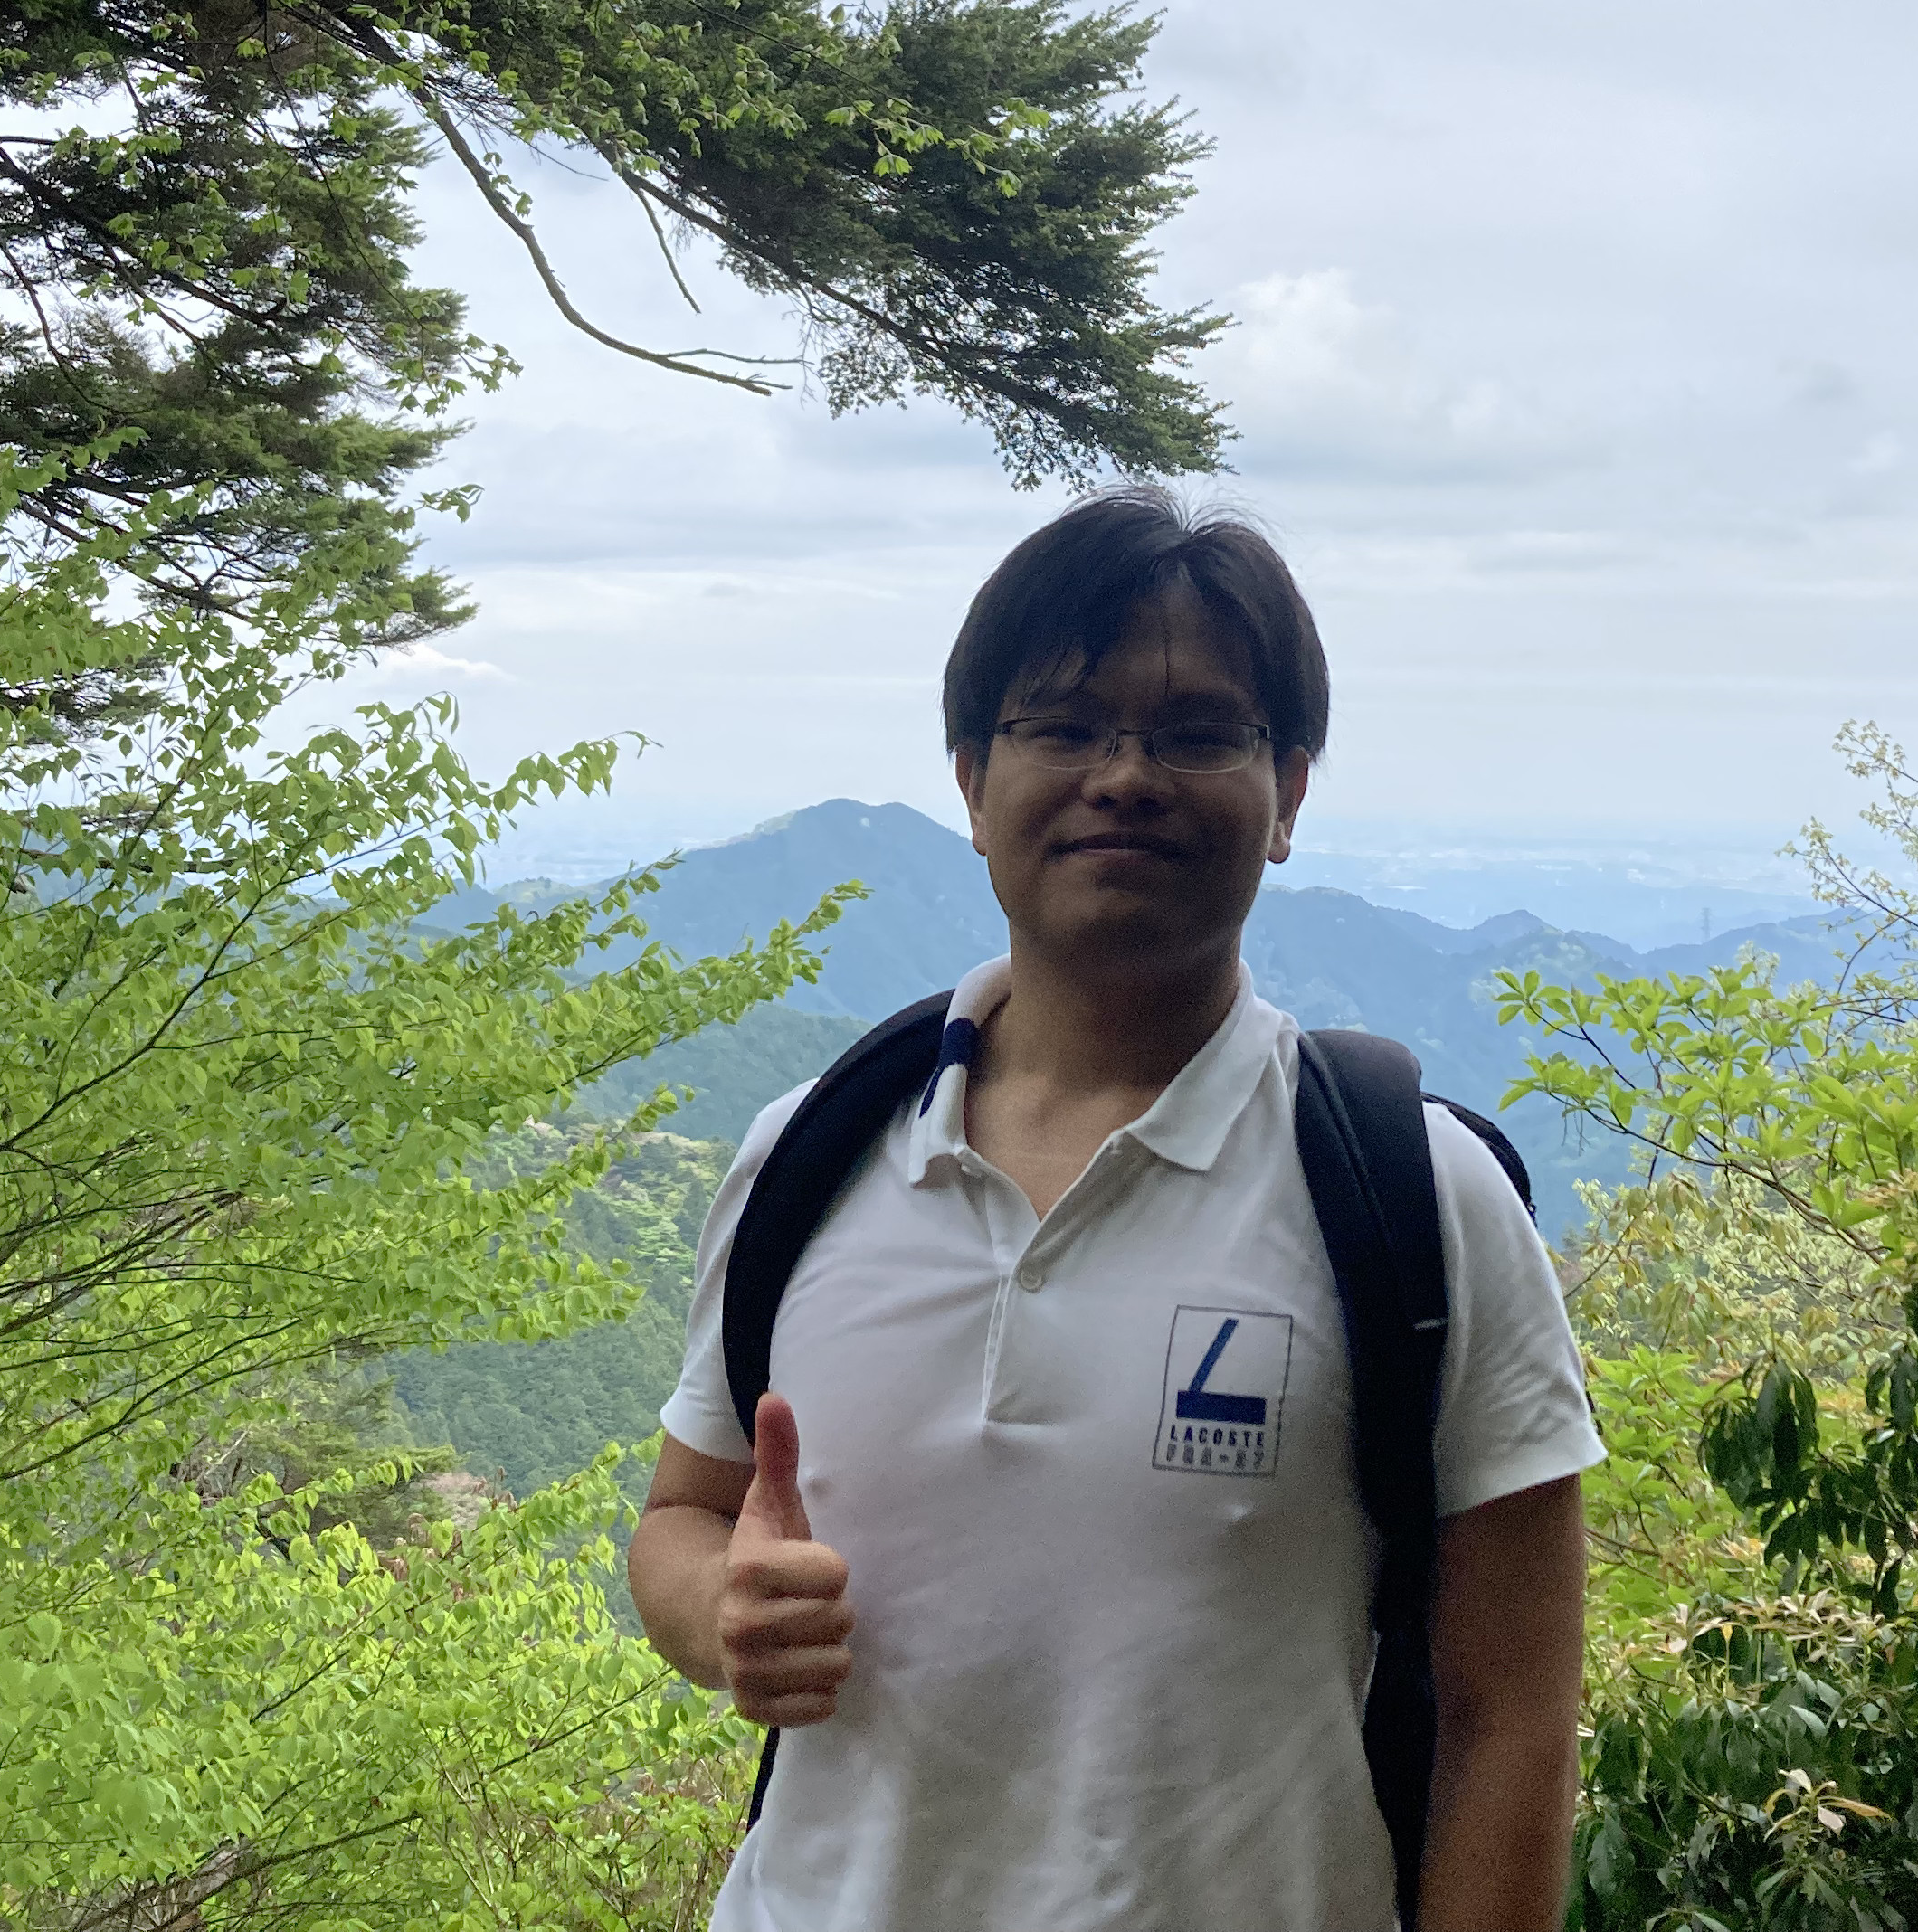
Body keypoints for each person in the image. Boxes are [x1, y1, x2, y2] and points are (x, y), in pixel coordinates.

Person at [632, 489, 1603, 1931]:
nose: (1127, 776)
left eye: (1199, 733)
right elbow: (682, 1516)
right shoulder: (807, 1158)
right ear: (973, 783)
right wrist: (720, 1614)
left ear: (1288, 794)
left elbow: (1510, 1715)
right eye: (1066, 725)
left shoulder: (1416, 1197)